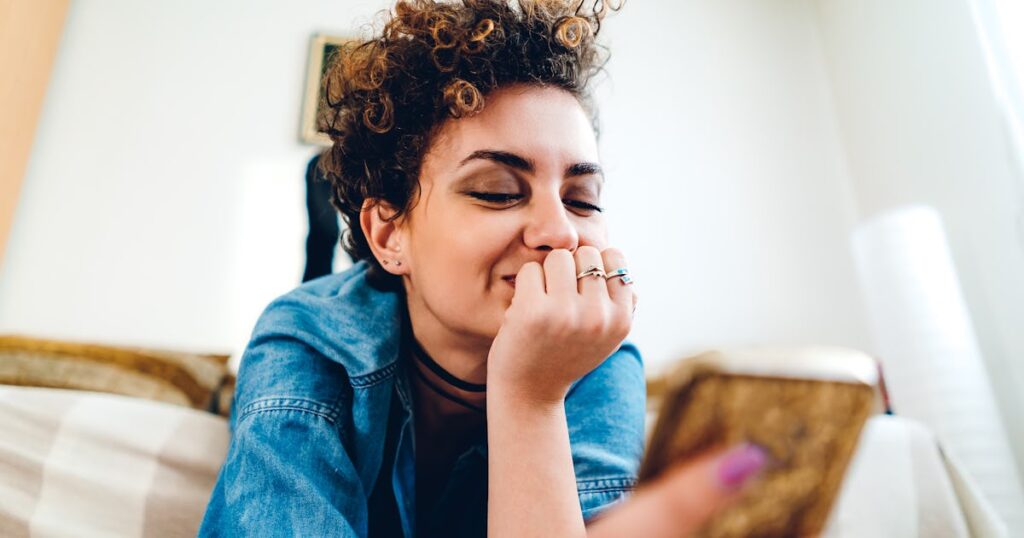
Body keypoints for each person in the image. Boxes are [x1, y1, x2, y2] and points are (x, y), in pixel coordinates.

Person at [200, 1, 766, 536]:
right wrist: (527, 395)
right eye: (497, 192)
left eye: (583, 199)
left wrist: (533, 397)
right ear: (388, 233)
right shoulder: (307, 339)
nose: (561, 232)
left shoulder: (596, 354)